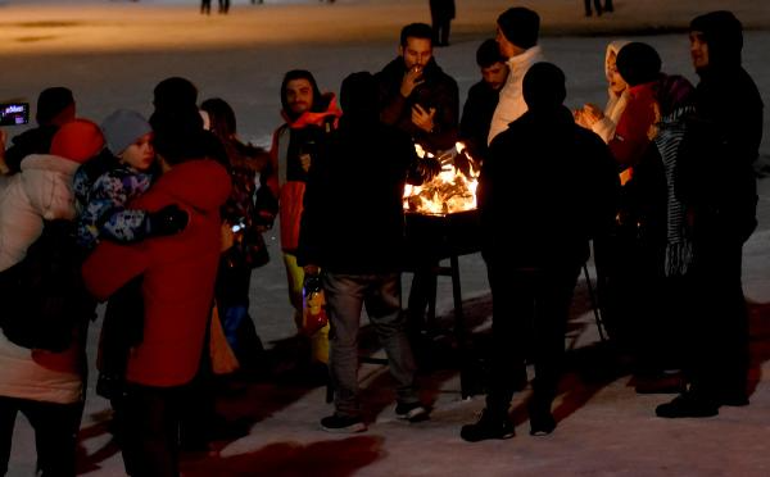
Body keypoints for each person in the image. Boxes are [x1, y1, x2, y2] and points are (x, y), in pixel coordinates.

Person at [460, 63, 619, 442]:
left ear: (528, 97)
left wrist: (491, 248)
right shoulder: (585, 143)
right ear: (561, 95)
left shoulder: (506, 144)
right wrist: (587, 234)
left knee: (507, 335)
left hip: (511, 255)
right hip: (560, 254)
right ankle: (541, 409)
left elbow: (487, 203)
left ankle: (498, 413)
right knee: (550, 331)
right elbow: (607, 195)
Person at [81, 119, 231, 476]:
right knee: (164, 433)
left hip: (145, 347)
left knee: (146, 438)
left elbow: (98, 277)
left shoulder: (158, 205)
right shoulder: (207, 201)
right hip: (185, 344)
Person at [298, 71, 436, 433]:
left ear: (344, 104)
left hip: (343, 256)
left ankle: (347, 408)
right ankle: (409, 399)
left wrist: (308, 254)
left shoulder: (330, 146)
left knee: (344, 337)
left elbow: (314, 205)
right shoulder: (395, 140)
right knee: (392, 327)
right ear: (377, 102)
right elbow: (419, 177)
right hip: (385, 250)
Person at [656, 10, 764, 418]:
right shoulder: (718, 86)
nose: (694, 48)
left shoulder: (728, 89)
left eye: (701, 39)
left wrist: (699, 199)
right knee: (721, 298)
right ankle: (728, 383)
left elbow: (723, 155)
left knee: (707, 301)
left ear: (722, 43)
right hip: (718, 207)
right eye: (691, 39)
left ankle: (705, 388)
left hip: (718, 209)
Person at [0, 119, 105, 477]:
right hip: (54, 360)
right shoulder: (84, 203)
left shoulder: (14, 188)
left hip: (2, 348)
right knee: (57, 461)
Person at [374, 22, 459, 358]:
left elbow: (450, 134)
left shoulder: (444, 84)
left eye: (425, 53)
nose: (419, 61)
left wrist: (431, 128)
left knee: (427, 256)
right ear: (401, 50)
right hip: (389, 181)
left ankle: (415, 323)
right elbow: (378, 128)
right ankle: (391, 325)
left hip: (430, 181)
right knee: (389, 257)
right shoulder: (383, 82)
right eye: (413, 53)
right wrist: (405, 97)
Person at [266, 70, 341, 376]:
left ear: (314, 93)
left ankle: (324, 361)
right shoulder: (282, 134)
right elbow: (274, 179)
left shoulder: (329, 127)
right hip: (289, 233)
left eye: (303, 91)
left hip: (318, 233)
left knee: (315, 299)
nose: (297, 98)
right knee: (300, 298)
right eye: (291, 92)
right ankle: (313, 349)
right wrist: (264, 212)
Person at [200, 97, 272, 374]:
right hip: (243, 242)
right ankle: (249, 354)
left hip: (229, 243)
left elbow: (235, 205)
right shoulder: (241, 156)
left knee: (230, 303)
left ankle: (231, 361)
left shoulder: (219, 160)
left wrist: (235, 229)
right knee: (236, 300)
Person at [487, 7, 544, 144]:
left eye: (499, 34)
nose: (497, 39)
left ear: (510, 36)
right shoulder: (517, 69)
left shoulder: (534, 74)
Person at [0, 86, 76, 175]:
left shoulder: (26, 144)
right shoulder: (80, 145)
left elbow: (5, 170)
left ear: (38, 116)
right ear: (70, 112)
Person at [459, 38, 509, 162]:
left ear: (507, 65)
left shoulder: (516, 92)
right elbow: (466, 131)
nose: (490, 78)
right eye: (485, 73)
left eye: (496, 71)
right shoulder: (477, 93)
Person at [575, 40, 630, 144]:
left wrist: (600, 122)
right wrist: (589, 125)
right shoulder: (615, 100)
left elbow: (621, 148)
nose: (609, 75)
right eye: (608, 68)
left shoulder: (637, 102)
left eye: (616, 70)